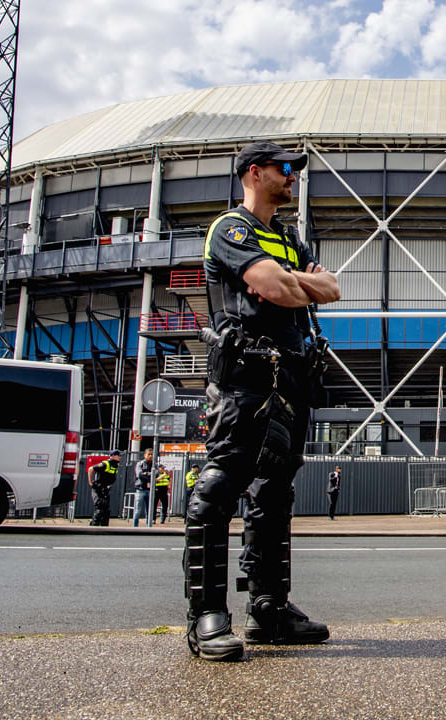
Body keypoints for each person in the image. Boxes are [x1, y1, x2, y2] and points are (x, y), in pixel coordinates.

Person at [183, 141, 341, 662]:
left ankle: (270, 608)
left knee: (275, 491)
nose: (292, 175)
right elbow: (275, 287)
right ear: (255, 173)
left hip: (293, 376)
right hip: (246, 375)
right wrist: (292, 285)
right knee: (222, 483)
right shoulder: (231, 229)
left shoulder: (288, 236)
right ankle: (206, 615)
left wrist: (288, 284)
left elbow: (330, 288)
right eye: (284, 168)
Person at [87, 450, 121, 526]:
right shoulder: (105, 464)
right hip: (98, 488)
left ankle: (104, 527)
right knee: (99, 508)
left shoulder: (115, 465)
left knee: (106, 510)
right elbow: (90, 469)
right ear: (113, 456)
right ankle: (94, 527)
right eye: (118, 455)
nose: (120, 457)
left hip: (105, 489)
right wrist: (90, 482)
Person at [132, 448, 153, 528]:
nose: (150, 456)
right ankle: (135, 526)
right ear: (145, 455)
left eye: (152, 454)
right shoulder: (140, 464)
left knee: (149, 510)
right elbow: (140, 474)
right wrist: (150, 475)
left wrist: (146, 474)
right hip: (140, 489)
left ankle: (148, 527)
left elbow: (157, 473)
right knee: (137, 510)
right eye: (149, 454)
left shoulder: (154, 464)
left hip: (150, 490)